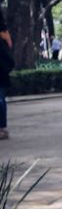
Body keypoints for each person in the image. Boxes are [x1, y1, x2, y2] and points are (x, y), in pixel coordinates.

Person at [0, 8, 13, 140]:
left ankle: (2, 128)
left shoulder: (3, 34)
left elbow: (9, 48)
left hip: (1, 72)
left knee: (0, 100)